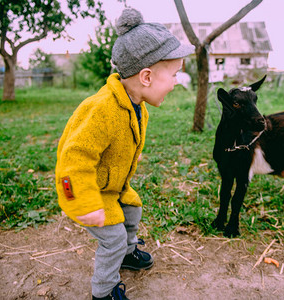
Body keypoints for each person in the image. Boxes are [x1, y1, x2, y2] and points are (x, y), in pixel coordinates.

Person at [55, 7, 194, 300]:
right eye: (174, 74)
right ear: (146, 76)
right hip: (88, 191)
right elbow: (73, 161)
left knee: (132, 209)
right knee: (113, 240)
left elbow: (124, 141)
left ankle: (129, 253)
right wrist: (83, 202)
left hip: (115, 186)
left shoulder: (137, 106)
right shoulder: (101, 109)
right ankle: (103, 291)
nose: (176, 82)